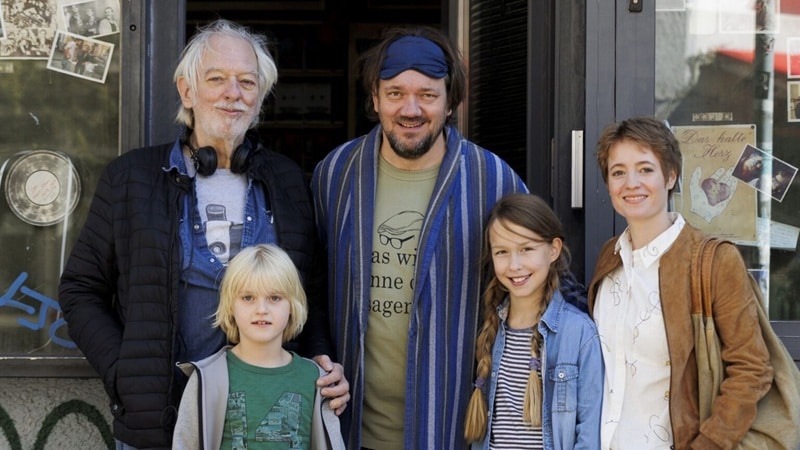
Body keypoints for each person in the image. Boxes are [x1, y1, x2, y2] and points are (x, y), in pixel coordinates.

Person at [59, 19, 348, 450]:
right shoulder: (131, 178)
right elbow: (80, 289)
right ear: (187, 91)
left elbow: (312, 290)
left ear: (260, 96)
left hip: (266, 424)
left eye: (247, 82)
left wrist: (321, 360)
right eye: (217, 79)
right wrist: (126, 373)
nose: (233, 93)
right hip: (157, 424)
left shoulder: (288, 182)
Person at [312, 25, 587, 449]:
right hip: (348, 428)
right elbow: (309, 284)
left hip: (457, 427)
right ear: (374, 98)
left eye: (427, 94)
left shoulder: (493, 181)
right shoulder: (336, 175)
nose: (411, 108)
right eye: (395, 93)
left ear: (451, 100)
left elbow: (549, 284)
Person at [588, 116, 772, 449]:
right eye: (618, 172)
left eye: (645, 169)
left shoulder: (713, 261)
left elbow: (752, 369)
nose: (631, 183)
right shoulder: (609, 258)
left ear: (670, 176)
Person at [464, 193, 603, 449]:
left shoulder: (579, 334)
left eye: (526, 249)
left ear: (553, 250)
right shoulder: (489, 330)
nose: (515, 265)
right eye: (502, 252)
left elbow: (589, 433)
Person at [172, 244, 345, 450]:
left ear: (292, 305)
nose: (261, 309)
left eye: (274, 298)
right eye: (248, 298)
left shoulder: (316, 378)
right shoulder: (206, 378)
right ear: (230, 306)